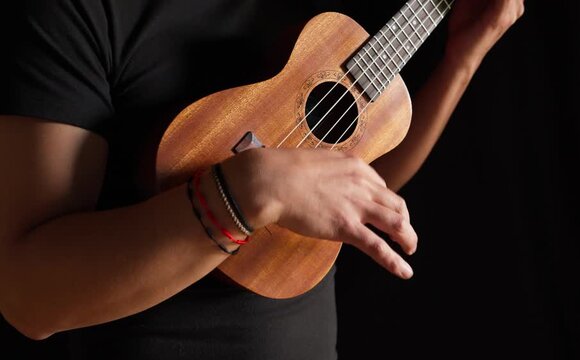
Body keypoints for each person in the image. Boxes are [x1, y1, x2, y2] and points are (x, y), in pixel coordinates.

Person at [0, 0, 524, 358]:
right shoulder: (75, 12)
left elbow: (354, 177)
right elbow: (30, 295)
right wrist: (252, 191)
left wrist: (463, 57)